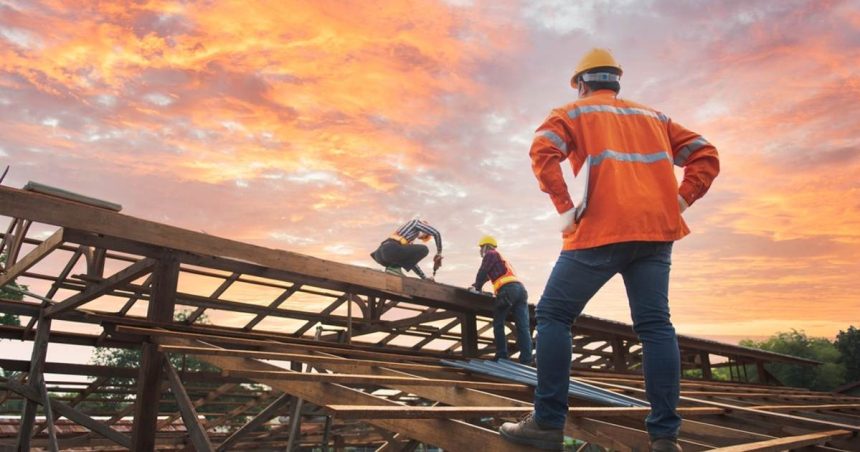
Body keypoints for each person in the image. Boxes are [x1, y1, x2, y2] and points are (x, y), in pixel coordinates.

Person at [499, 48, 720, 452]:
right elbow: (705, 154)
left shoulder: (572, 112)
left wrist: (565, 209)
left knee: (553, 315)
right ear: (616, 82)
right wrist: (681, 201)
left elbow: (542, 152)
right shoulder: (655, 117)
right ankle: (665, 438)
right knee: (655, 326)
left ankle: (547, 424)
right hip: (655, 233)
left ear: (582, 84)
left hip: (600, 231)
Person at [468, 235, 532, 364]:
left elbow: (483, 270)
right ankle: (526, 360)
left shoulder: (491, 254)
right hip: (521, 291)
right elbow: (487, 275)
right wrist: (476, 285)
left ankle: (502, 355)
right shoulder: (502, 260)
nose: (481, 251)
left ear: (485, 246)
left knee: (498, 323)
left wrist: (477, 288)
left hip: (507, 291)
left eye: (481, 248)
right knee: (523, 327)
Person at [370, 218, 443, 280]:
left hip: (379, 255)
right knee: (424, 249)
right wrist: (439, 253)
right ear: (425, 229)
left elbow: (412, 263)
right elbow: (436, 233)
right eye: (425, 235)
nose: (421, 238)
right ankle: (394, 268)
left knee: (410, 253)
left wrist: (424, 278)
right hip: (390, 250)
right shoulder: (416, 223)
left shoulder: (406, 240)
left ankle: (392, 269)